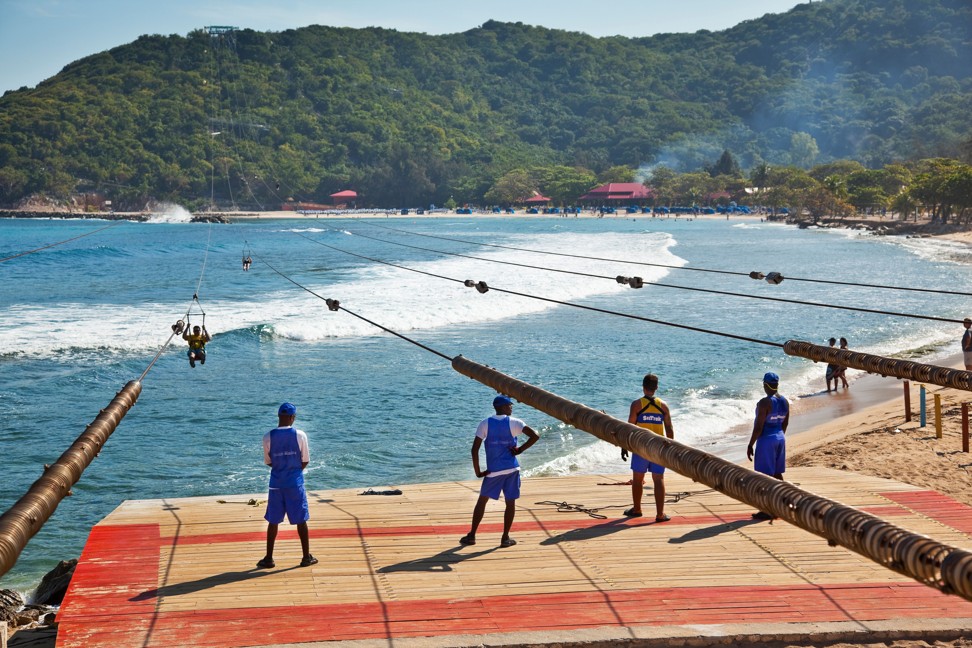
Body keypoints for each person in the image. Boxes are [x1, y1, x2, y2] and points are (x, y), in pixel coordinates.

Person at [459, 395, 539, 548]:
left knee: (482, 501)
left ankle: (472, 536)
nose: (511, 407)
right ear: (502, 407)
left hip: (493, 472)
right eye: (509, 405)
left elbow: (474, 449)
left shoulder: (485, 424)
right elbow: (535, 436)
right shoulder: (515, 422)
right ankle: (505, 538)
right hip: (512, 469)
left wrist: (478, 472)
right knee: (510, 503)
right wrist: (520, 450)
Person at [257, 402, 317, 569]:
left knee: (273, 520)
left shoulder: (268, 436)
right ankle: (306, 557)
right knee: (301, 520)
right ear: (293, 417)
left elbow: (269, 461)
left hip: (276, 484)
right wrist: (293, 471)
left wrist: (282, 469)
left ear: (278, 416)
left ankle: (269, 558)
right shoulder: (300, 435)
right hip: (294, 483)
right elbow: (305, 460)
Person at [621, 373, 675, 522]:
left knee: (638, 479)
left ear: (643, 387)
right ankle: (660, 514)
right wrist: (669, 449)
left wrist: (624, 446)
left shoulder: (637, 405)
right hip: (658, 448)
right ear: (656, 387)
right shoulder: (663, 406)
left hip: (641, 448)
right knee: (658, 479)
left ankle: (637, 509)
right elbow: (669, 429)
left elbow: (629, 428)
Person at [746, 372, 789, 520]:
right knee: (777, 474)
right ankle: (783, 503)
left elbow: (758, 426)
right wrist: (778, 437)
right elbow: (785, 424)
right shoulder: (784, 401)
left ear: (765, 385)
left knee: (764, 477)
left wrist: (750, 444)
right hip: (780, 438)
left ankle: (767, 509)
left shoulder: (765, 402)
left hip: (766, 440)